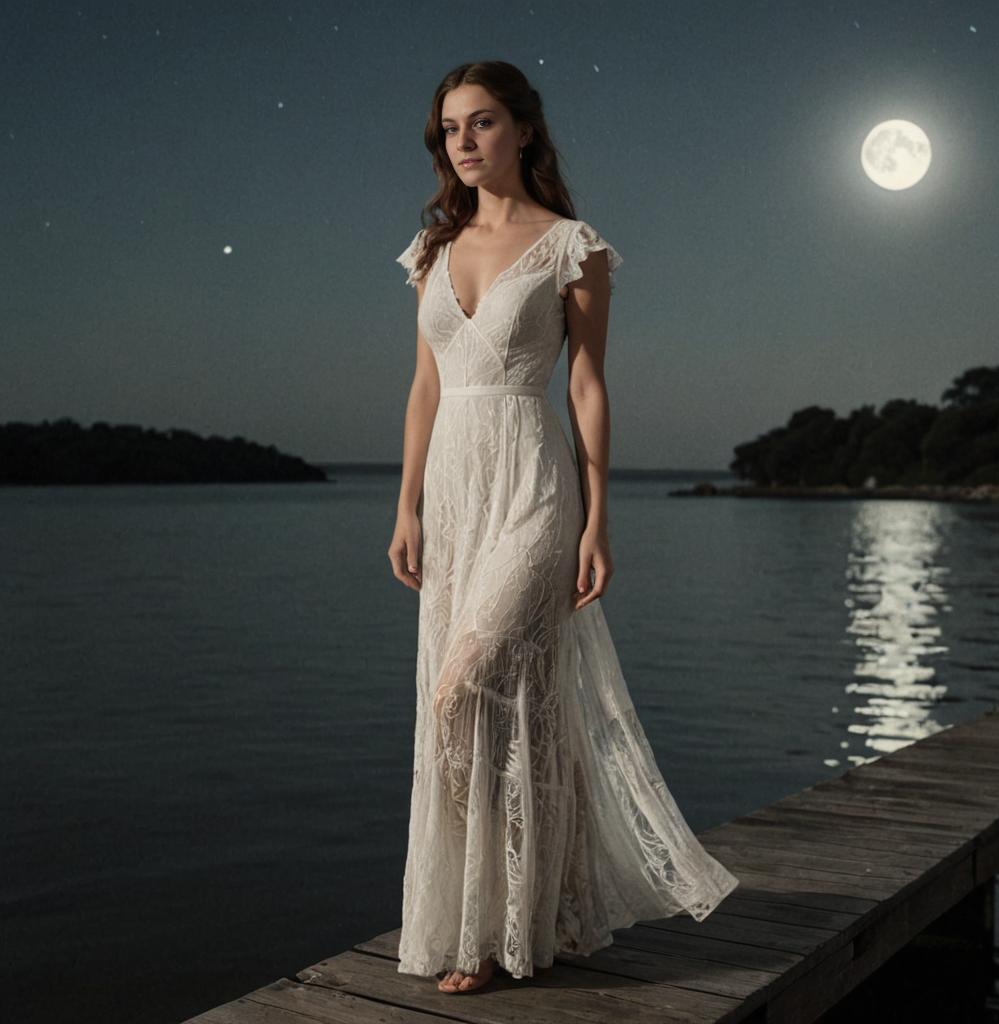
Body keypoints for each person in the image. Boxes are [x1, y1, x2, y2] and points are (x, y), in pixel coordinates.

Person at [388, 59, 739, 996]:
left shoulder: (570, 246)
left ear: (525, 131)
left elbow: (586, 383)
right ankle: (523, 911)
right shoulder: (430, 249)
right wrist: (405, 503)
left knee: (467, 691)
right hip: (456, 494)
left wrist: (597, 521)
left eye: (483, 122)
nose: (464, 142)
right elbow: (426, 385)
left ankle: (509, 922)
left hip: (534, 488)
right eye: (451, 128)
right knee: (498, 713)